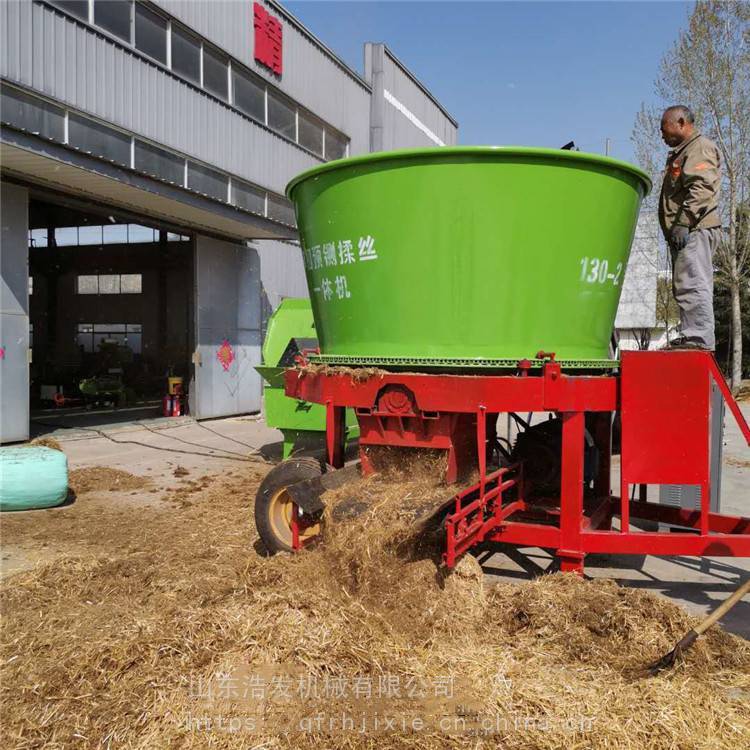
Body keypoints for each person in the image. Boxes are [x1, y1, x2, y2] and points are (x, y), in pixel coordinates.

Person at [658, 105, 721, 350]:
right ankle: (692, 334)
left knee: (694, 282)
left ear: (681, 122)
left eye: (664, 127)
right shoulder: (683, 152)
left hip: (694, 228)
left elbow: (702, 188)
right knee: (686, 283)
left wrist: (684, 221)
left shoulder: (699, 147)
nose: (662, 134)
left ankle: (698, 338)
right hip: (688, 230)